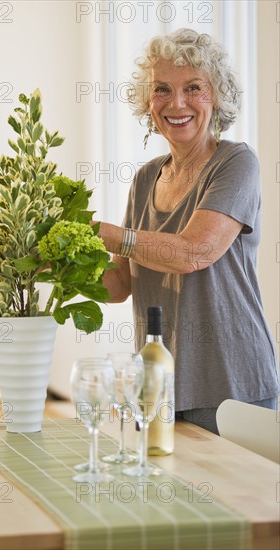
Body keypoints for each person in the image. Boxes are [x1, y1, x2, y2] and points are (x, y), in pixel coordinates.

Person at [96, 28, 279, 434]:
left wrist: (97, 232)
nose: (176, 103)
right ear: (148, 101)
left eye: (193, 88)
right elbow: (118, 283)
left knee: (234, 499)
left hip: (232, 383)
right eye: (162, 89)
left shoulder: (236, 163)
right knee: (165, 498)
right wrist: (55, 259)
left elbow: (191, 253)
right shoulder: (145, 178)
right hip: (159, 383)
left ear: (217, 97)